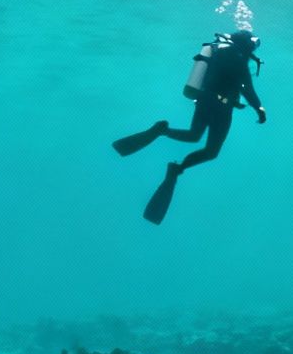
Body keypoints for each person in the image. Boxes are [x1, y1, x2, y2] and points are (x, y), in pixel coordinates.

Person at [114, 29, 266, 224]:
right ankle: (178, 168)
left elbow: (221, 80)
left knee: (194, 135)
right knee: (211, 152)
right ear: (247, 46)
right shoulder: (240, 61)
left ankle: (162, 131)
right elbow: (247, 90)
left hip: (204, 101)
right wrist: (259, 109)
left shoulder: (219, 53)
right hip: (222, 109)